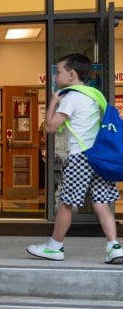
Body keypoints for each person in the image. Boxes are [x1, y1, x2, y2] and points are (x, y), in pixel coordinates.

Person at [27, 53, 123, 265]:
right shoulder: (94, 95)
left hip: (81, 157)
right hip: (100, 157)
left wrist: (53, 101)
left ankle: (55, 246)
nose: (55, 76)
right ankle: (113, 246)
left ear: (71, 75)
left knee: (66, 203)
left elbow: (50, 127)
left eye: (58, 72)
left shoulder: (70, 98)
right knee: (101, 202)